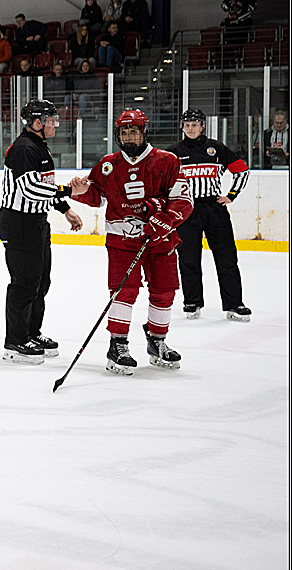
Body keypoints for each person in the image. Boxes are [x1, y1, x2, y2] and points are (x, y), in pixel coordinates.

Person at [69, 110, 194, 374]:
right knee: (123, 292)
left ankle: (157, 341)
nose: (128, 137)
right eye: (124, 132)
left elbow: (183, 200)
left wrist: (164, 221)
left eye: (133, 131)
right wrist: (79, 191)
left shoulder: (167, 160)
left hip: (160, 240)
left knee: (164, 291)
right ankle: (118, 344)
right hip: (122, 241)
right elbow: (97, 197)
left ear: (144, 132)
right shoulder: (108, 164)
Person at [0, 99, 86, 363]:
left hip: (36, 222)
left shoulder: (38, 147)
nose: (55, 124)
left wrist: (64, 208)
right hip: (19, 223)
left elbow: (44, 185)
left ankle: (31, 333)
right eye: (50, 120)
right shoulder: (24, 149)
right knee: (24, 283)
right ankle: (15, 341)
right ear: (37, 123)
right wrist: (70, 191)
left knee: (40, 282)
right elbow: (30, 189)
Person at [167, 109, 252, 321]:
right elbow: (161, 180)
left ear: (202, 126)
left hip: (214, 208)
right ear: (182, 127)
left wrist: (231, 195)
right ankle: (192, 302)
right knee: (188, 258)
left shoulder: (216, 148)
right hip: (187, 210)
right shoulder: (173, 152)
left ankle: (234, 304)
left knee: (227, 257)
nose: (191, 128)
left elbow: (242, 170)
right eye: (187, 125)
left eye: (195, 124)